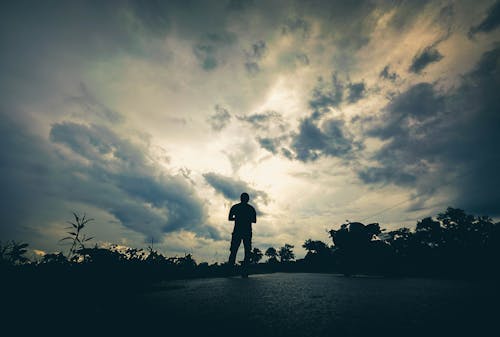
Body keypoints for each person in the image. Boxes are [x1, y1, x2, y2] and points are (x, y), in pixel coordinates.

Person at [228, 192, 256, 269]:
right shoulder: (251, 208)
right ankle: (245, 270)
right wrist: (246, 219)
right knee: (247, 251)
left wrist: (238, 218)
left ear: (240, 198)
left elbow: (230, 218)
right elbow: (254, 220)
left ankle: (230, 269)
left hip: (238, 231)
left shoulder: (235, 207)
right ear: (248, 199)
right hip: (246, 232)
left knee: (234, 250)